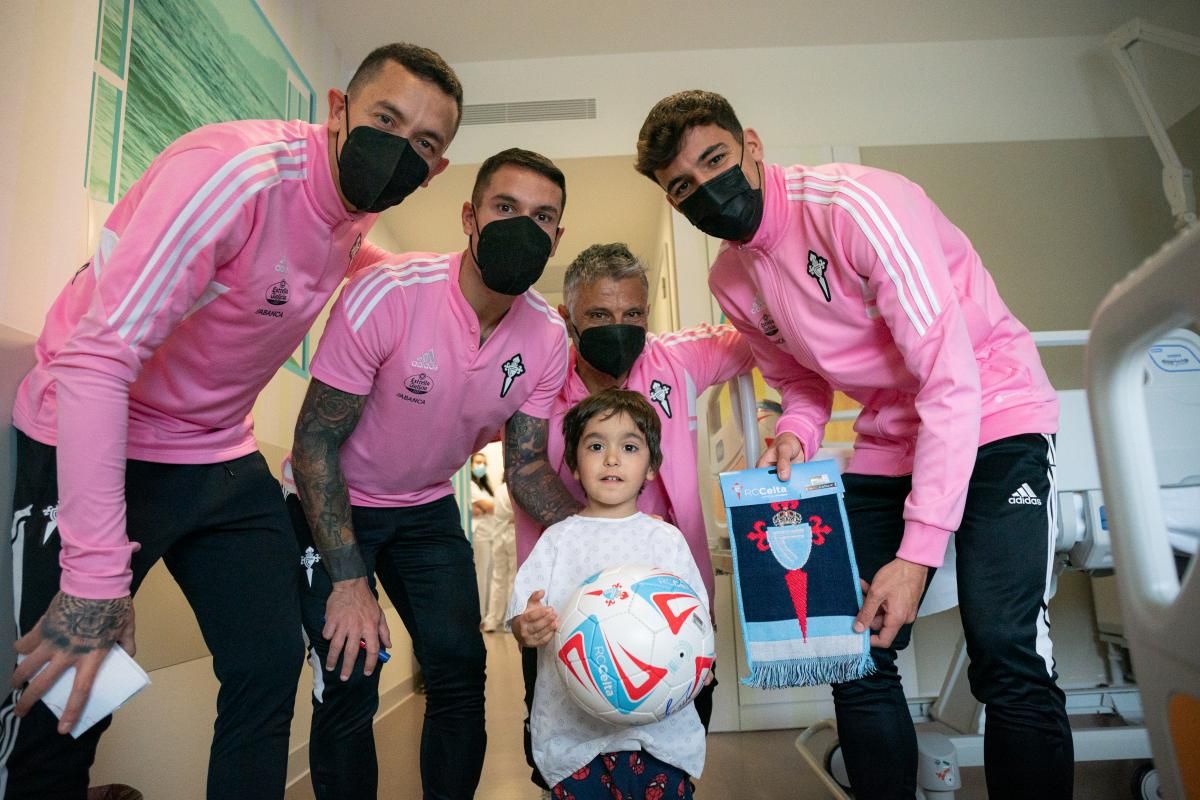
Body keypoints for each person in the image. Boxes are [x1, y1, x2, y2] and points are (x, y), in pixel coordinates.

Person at [4, 43, 461, 800]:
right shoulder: (235, 175)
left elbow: (331, 247)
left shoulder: (359, 203)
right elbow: (95, 362)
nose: (400, 147)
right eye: (386, 118)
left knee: (268, 662)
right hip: (95, 429)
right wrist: (94, 579)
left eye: (425, 143)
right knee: (72, 691)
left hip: (216, 448)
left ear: (437, 169)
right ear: (337, 107)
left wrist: (422, 289)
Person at [635, 90, 1070, 799]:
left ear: (751, 144)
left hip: (993, 415)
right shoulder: (731, 279)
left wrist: (916, 553)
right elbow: (800, 380)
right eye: (682, 186)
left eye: (714, 160)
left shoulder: (857, 206)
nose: (705, 189)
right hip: (888, 440)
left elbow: (950, 378)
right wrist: (794, 433)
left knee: (1005, 652)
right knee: (854, 652)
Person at [285, 147, 571, 800]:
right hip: (331, 498)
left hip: (424, 506)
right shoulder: (390, 292)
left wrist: (598, 533)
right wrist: (350, 580)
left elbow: (525, 467)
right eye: (506, 208)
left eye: (543, 216)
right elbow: (314, 442)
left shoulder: (548, 338)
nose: (524, 227)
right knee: (350, 672)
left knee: (460, 670)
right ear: (470, 217)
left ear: (559, 235)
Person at [508, 241, 752, 789]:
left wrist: (784, 421)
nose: (618, 327)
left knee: (671, 761)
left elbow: (769, 334)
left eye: (632, 314)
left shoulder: (677, 358)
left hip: (676, 618)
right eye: (598, 315)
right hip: (562, 619)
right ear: (569, 318)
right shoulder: (538, 381)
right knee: (564, 762)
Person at [509, 388, 707, 799]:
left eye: (630, 447)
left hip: (659, 742)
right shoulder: (557, 541)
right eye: (596, 445)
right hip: (576, 745)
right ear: (575, 466)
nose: (612, 458)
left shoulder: (665, 541)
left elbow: (698, 626)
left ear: (651, 466)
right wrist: (527, 626)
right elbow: (522, 618)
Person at [468, 451, 497, 617]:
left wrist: (488, 506)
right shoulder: (470, 485)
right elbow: (490, 506)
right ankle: (479, 615)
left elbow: (490, 505)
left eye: (484, 463)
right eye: (478, 462)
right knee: (481, 575)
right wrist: (488, 507)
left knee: (490, 575)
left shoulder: (485, 487)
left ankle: (488, 614)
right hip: (480, 535)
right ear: (471, 465)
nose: (481, 466)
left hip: (491, 533)